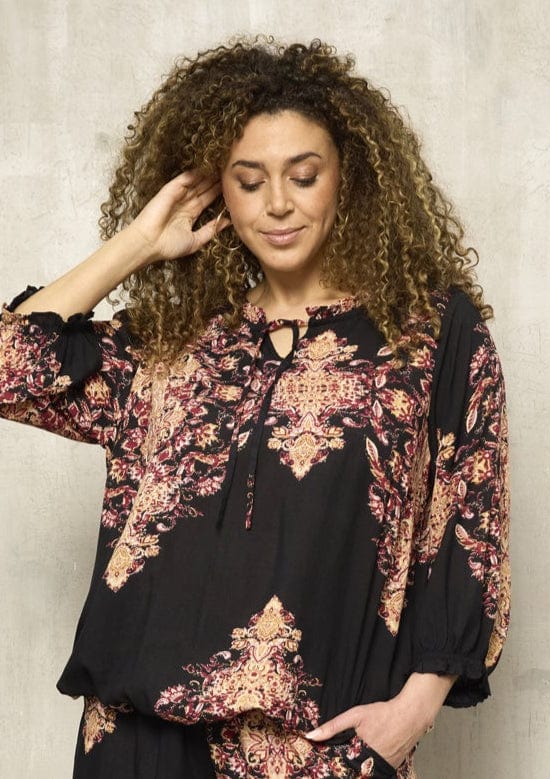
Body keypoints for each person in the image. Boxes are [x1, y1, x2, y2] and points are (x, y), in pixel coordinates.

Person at [0, 37, 509, 779]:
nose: (276, 203)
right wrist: (140, 241)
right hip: (137, 740)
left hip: (316, 749)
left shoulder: (429, 336)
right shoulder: (172, 342)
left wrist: (411, 712)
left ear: (347, 178)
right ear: (218, 193)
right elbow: (10, 369)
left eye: (303, 176)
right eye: (247, 181)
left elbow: (472, 521)